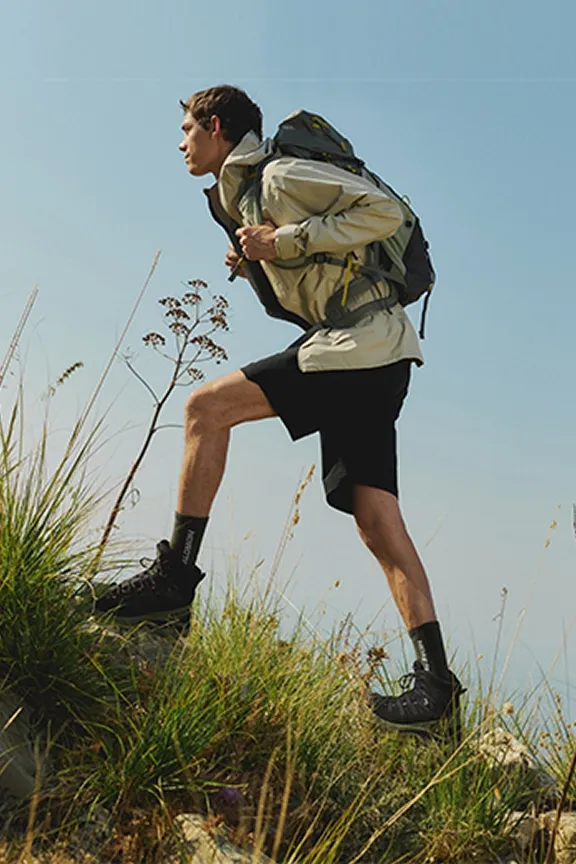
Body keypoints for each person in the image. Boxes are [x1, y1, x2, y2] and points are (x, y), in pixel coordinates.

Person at [95, 85, 464, 735]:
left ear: (215, 126)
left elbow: (385, 210)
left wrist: (284, 240)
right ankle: (436, 684)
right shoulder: (239, 196)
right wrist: (257, 258)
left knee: (206, 408)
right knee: (376, 518)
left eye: (187, 129)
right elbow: (318, 268)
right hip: (374, 352)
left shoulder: (281, 173)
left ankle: (174, 584)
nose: (180, 143)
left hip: (358, 347)